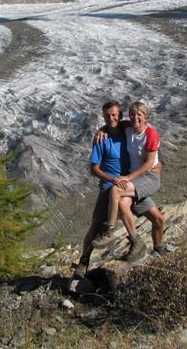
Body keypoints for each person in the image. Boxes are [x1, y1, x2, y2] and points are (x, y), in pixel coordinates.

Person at [91, 101, 166, 262]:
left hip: (148, 178)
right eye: (132, 115)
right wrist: (100, 130)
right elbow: (112, 123)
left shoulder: (150, 134)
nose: (135, 118)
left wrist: (127, 178)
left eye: (139, 115)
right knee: (150, 215)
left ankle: (109, 230)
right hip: (135, 179)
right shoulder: (128, 128)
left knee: (116, 190)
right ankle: (145, 244)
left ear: (146, 117)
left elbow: (149, 163)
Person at [73, 100, 128, 278]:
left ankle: (148, 247)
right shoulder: (101, 139)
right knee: (96, 225)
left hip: (129, 183)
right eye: (107, 116)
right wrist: (112, 179)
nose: (111, 118)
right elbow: (94, 168)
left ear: (120, 115)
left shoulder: (128, 131)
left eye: (114, 115)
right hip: (109, 186)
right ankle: (84, 262)